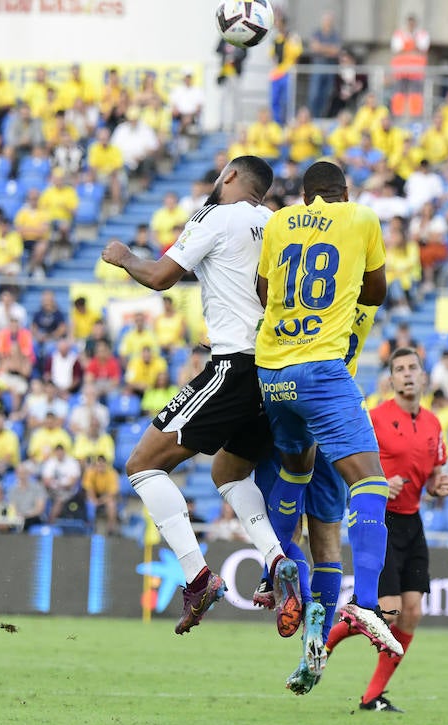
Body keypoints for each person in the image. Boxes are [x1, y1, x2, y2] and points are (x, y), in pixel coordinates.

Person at [100, 156, 302, 636]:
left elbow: (160, 277)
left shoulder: (215, 215)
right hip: (277, 370)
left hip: (235, 365)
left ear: (229, 177)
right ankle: (275, 560)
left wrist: (124, 255)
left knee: (142, 465)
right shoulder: (275, 224)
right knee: (227, 469)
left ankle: (198, 576)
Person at [255, 158, 402, 695]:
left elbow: (262, 290)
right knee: (354, 503)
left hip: (275, 376)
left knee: (292, 472)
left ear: (304, 193)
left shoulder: (277, 223)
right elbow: (376, 292)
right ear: (344, 193)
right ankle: (363, 605)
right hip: (325, 384)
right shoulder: (360, 225)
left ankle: (279, 576)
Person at [322, 348, 448, 713]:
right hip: (379, 521)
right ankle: (323, 643)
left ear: (423, 377)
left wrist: (437, 487)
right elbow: (353, 463)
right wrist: (379, 481)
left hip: (412, 522)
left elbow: (434, 475)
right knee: (389, 613)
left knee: (412, 613)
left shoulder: (433, 424)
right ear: (390, 380)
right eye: (400, 369)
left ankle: (372, 696)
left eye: (413, 368)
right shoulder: (375, 418)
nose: (408, 374)